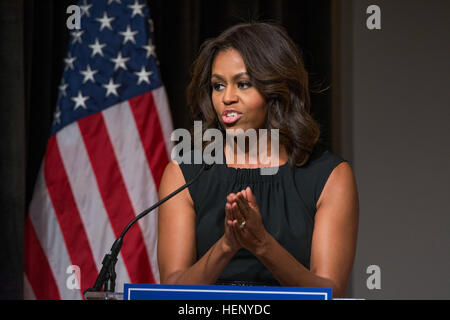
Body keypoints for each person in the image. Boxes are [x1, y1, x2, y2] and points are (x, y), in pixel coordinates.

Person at [157, 22, 359, 298]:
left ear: (276, 90)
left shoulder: (329, 176)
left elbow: (330, 293)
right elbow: (171, 290)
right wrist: (227, 246)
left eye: (243, 84)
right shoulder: (184, 175)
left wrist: (262, 244)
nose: (227, 98)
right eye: (218, 86)